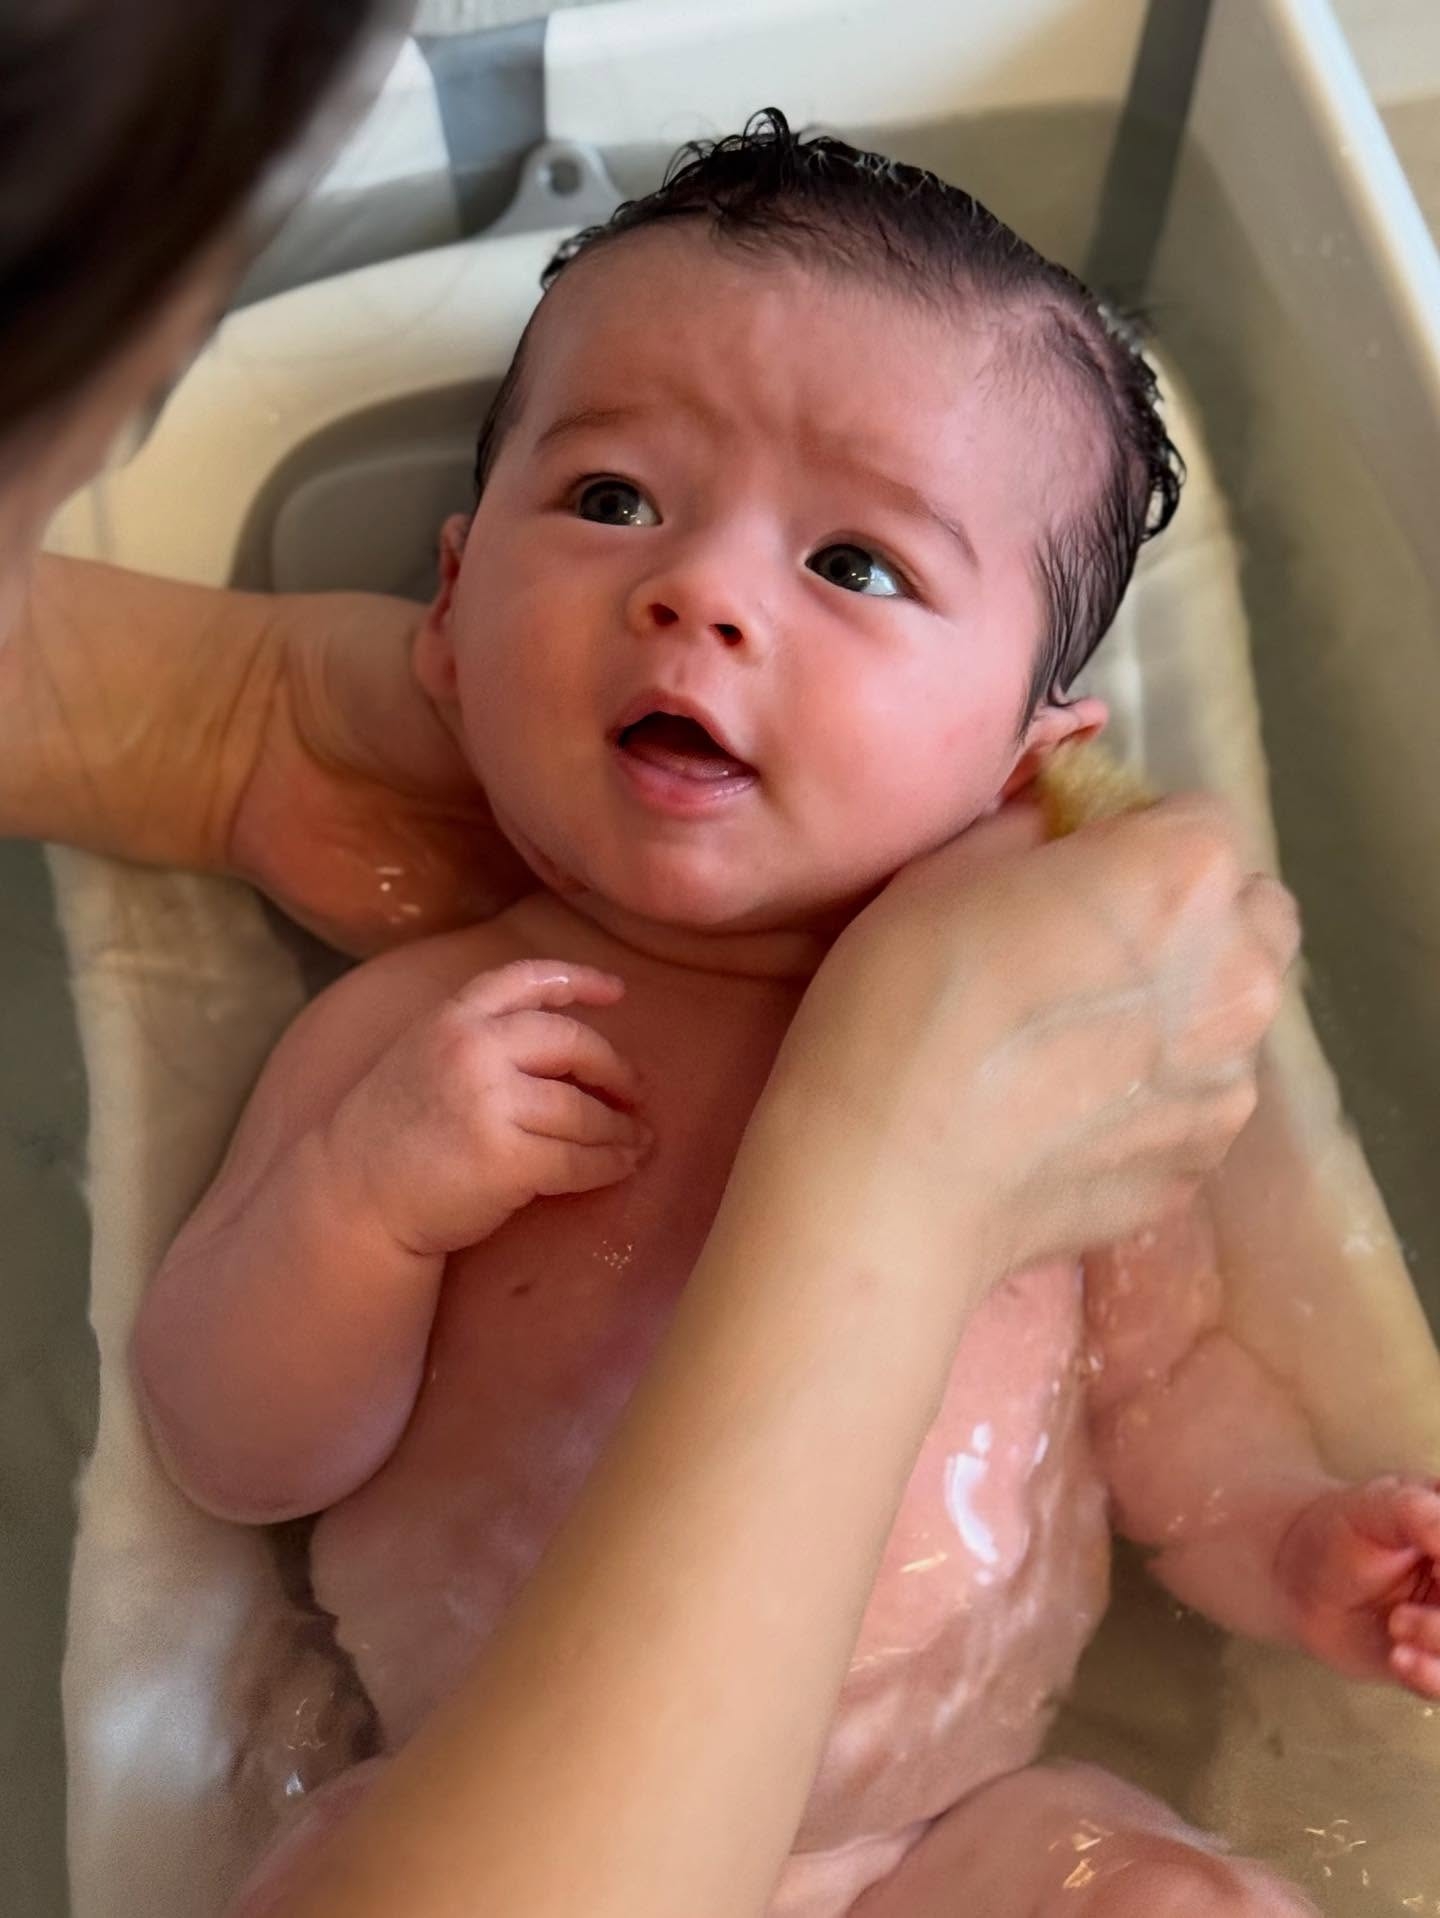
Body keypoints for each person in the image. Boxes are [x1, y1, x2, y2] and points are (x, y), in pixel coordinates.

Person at [0, 11, 1297, 1918]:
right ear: (450, 613)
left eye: (856, 565)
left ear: (1035, 760)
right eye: (612, 499)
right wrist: (365, 1205)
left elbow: (1176, 1395)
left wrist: (1303, 1544)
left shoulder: (1069, 1075)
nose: (700, 591)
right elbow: (230, 1446)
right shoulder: (426, 1036)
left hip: (937, 1846)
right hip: (476, 1802)